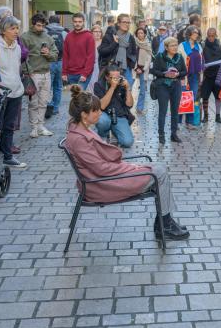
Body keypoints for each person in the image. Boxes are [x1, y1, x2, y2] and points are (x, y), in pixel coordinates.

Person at [64, 86, 188, 240]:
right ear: (84, 115)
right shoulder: (78, 139)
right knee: (159, 173)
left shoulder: (80, 131)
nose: (100, 112)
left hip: (104, 179)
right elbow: (101, 169)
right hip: (101, 185)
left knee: (159, 169)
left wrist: (130, 167)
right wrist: (131, 168)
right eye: (96, 110)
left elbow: (100, 165)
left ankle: (164, 222)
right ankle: (165, 224)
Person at [0, 17, 27, 168]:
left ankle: (8, 156)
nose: (16, 31)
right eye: (12, 28)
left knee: (9, 126)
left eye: (17, 28)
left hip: (16, 91)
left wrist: (19, 86)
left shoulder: (17, 47)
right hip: (0, 92)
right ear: (3, 31)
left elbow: (16, 69)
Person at [21, 13, 58, 138]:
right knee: (33, 103)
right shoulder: (25, 37)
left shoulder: (47, 37)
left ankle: (41, 126)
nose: (40, 28)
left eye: (42, 26)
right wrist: (28, 72)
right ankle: (34, 127)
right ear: (33, 24)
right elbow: (22, 57)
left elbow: (55, 54)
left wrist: (48, 54)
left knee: (43, 102)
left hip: (46, 72)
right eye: (38, 25)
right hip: (33, 74)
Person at [150, 37, 187, 144]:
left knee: (175, 111)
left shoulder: (179, 57)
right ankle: (161, 134)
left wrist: (178, 74)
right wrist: (164, 74)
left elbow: (184, 71)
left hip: (176, 85)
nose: (175, 47)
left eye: (176, 45)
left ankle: (173, 134)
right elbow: (154, 70)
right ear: (166, 47)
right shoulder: (159, 57)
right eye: (172, 45)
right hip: (162, 85)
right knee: (163, 111)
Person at [93, 65, 135, 148]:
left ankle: (116, 133)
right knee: (102, 121)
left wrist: (128, 88)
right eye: (114, 78)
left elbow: (129, 105)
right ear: (107, 77)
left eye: (118, 77)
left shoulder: (122, 85)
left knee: (128, 142)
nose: (117, 80)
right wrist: (112, 87)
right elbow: (102, 106)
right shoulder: (98, 85)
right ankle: (103, 135)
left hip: (119, 115)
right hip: (104, 114)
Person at [99, 14, 138, 87]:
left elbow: (134, 53)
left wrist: (131, 63)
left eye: (128, 22)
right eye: (124, 22)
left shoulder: (130, 37)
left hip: (126, 68)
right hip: (111, 68)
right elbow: (102, 52)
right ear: (118, 23)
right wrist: (114, 43)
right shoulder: (110, 36)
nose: (127, 24)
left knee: (127, 90)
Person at [177, 25, 203, 129]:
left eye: (197, 33)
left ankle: (189, 122)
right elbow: (178, 60)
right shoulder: (182, 46)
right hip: (184, 76)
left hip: (195, 76)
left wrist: (201, 76)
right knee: (182, 98)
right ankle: (178, 122)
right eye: (194, 33)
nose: (196, 35)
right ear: (189, 34)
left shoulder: (199, 46)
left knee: (191, 98)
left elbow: (201, 62)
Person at [62, 13, 96, 89]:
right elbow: (65, 56)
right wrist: (64, 73)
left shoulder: (89, 36)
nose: (77, 24)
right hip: (70, 73)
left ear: (83, 22)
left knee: (80, 97)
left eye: (80, 22)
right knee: (73, 97)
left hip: (83, 73)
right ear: (72, 22)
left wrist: (85, 74)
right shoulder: (68, 36)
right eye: (75, 21)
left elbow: (91, 57)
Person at [200, 28, 221, 123]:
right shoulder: (202, 46)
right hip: (207, 76)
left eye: (212, 36)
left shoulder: (220, 46)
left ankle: (218, 116)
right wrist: (203, 66)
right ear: (207, 35)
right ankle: (205, 116)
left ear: (216, 35)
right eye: (209, 36)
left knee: (218, 97)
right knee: (205, 97)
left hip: (218, 75)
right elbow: (200, 59)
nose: (210, 38)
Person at [46, 15, 68, 118]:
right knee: (58, 86)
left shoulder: (45, 31)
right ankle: (55, 108)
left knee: (48, 86)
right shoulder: (64, 32)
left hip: (48, 61)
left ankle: (48, 106)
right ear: (59, 22)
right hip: (60, 62)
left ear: (49, 21)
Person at [134, 27, 152, 114]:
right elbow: (132, 55)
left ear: (144, 34)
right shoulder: (134, 43)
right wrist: (135, 68)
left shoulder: (147, 44)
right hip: (134, 69)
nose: (140, 34)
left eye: (141, 33)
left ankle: (139, 108)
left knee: (142, 90)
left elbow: (149, 59)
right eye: (138, 33)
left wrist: (142, 69)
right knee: (128, 87)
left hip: (143, 69)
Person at [86, 24, 102, 93]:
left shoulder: (104, 42)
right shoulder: (89, 42)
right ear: (92, 32)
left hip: (101, 66)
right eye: (95, 31)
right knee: (91, 84)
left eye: (99, 31)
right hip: (91, 66)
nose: (98, 33)